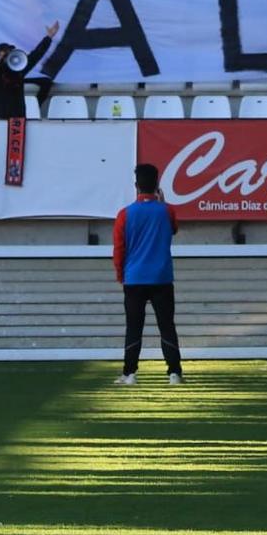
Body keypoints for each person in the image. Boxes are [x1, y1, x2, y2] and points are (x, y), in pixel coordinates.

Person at [114, 162, 184, 387]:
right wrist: (161, 203)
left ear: (136, 186)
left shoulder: (124, 214)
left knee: (133, 326)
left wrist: (120, 275)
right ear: (157, 185)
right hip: (162, 278)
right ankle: (174, 373)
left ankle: (129, 374)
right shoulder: (167, 210)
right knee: (167, 325)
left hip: (134, 278)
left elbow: (119, 249)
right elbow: (173, 228)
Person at [0, 22, 60, 121]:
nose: (9, 55)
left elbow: (36, 55)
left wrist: (49, 37)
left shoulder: (18, 70)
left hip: (18, 121)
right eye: (6, 53)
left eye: (10, 52)